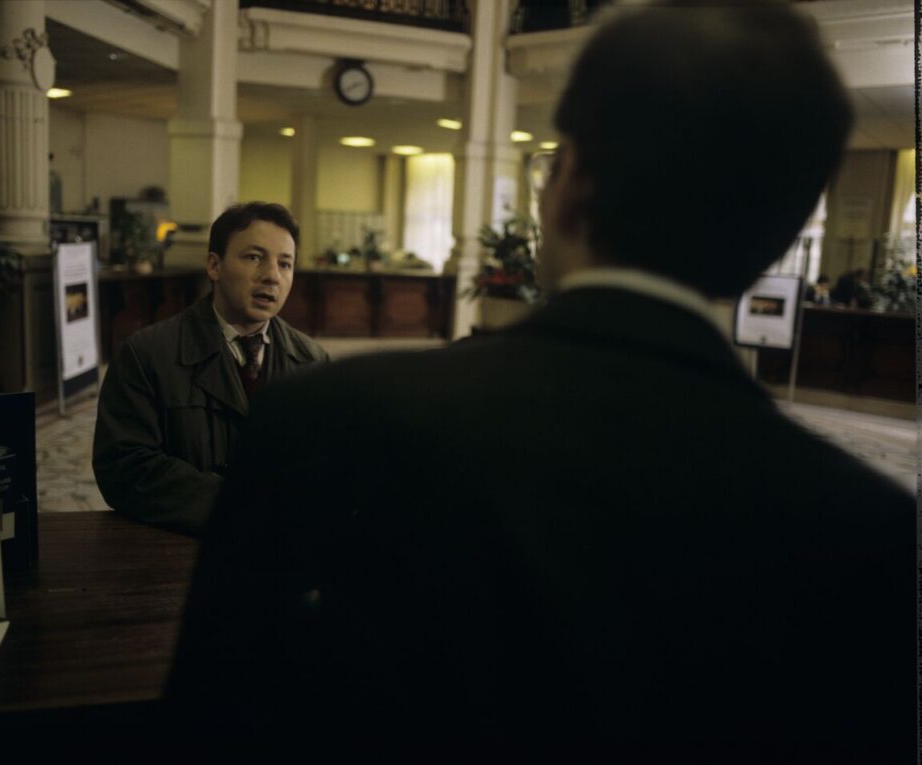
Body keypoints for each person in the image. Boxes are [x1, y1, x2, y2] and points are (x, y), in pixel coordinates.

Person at [167, 2, 913, 759]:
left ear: (569, 185)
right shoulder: (871, 534)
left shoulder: (326, 418)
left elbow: (216, 723)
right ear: (778, 239)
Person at [92, 202, 328, 536]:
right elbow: (125, 467)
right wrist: (239, 506)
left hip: (279, 553)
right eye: (254, 257)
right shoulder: (146, 355)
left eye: (285, 264)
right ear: (214, 265)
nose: (272, 275)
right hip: (177, 547)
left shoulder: (313, 362)